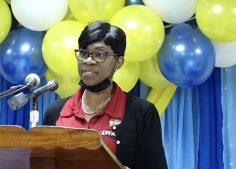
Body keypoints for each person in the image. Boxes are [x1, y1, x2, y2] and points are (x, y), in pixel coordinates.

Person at [43, 21, 168, 169]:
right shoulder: (56, 111)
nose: (88, 61)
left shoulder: (142, 112)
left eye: (100, 54)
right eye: (83, 53)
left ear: (118, 62)